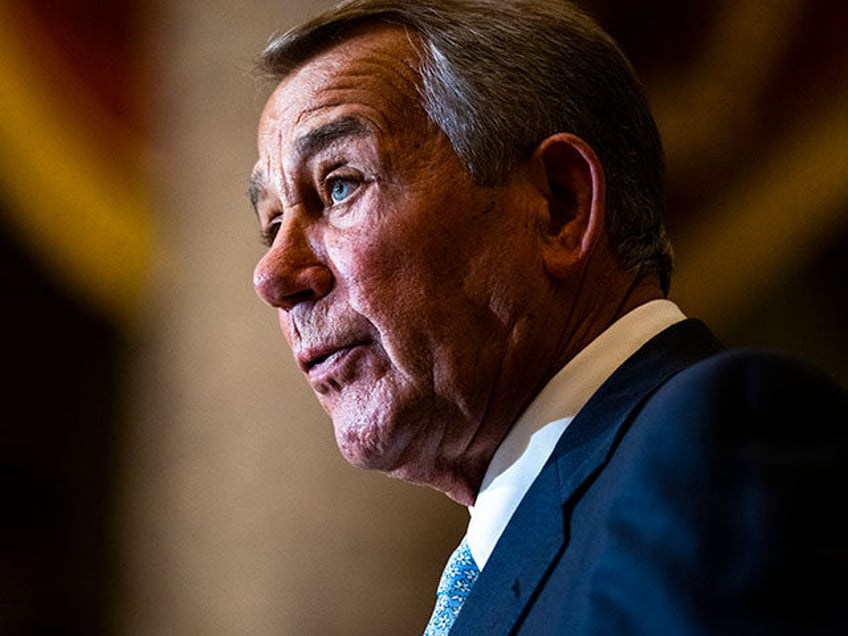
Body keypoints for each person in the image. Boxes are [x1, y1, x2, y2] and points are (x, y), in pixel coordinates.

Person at [247, 1, 848, 633]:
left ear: (560, 204)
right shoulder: (517, 544)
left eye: (340, 184)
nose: (272, 277)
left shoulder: (717, 446)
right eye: (273, 223)